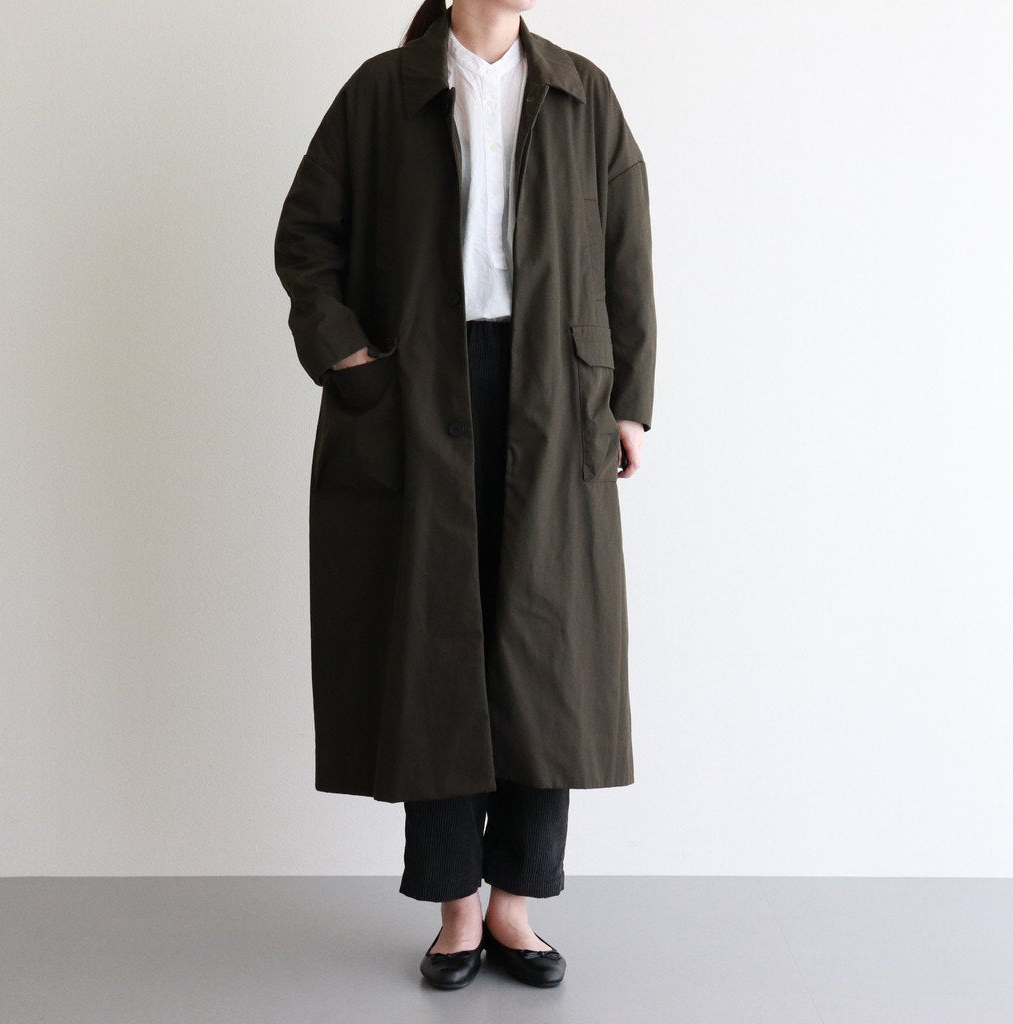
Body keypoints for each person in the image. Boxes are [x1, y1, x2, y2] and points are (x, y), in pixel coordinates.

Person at [274, 0, 657, 991]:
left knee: (543, 653)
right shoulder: (383, 91)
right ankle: (455, 910)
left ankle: (514, 906)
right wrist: (350, 359)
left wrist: (628, 403)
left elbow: (626, 253)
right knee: (434, 647)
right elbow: (306, 237)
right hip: (417, 391)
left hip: (552, 396)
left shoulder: (581, 93)